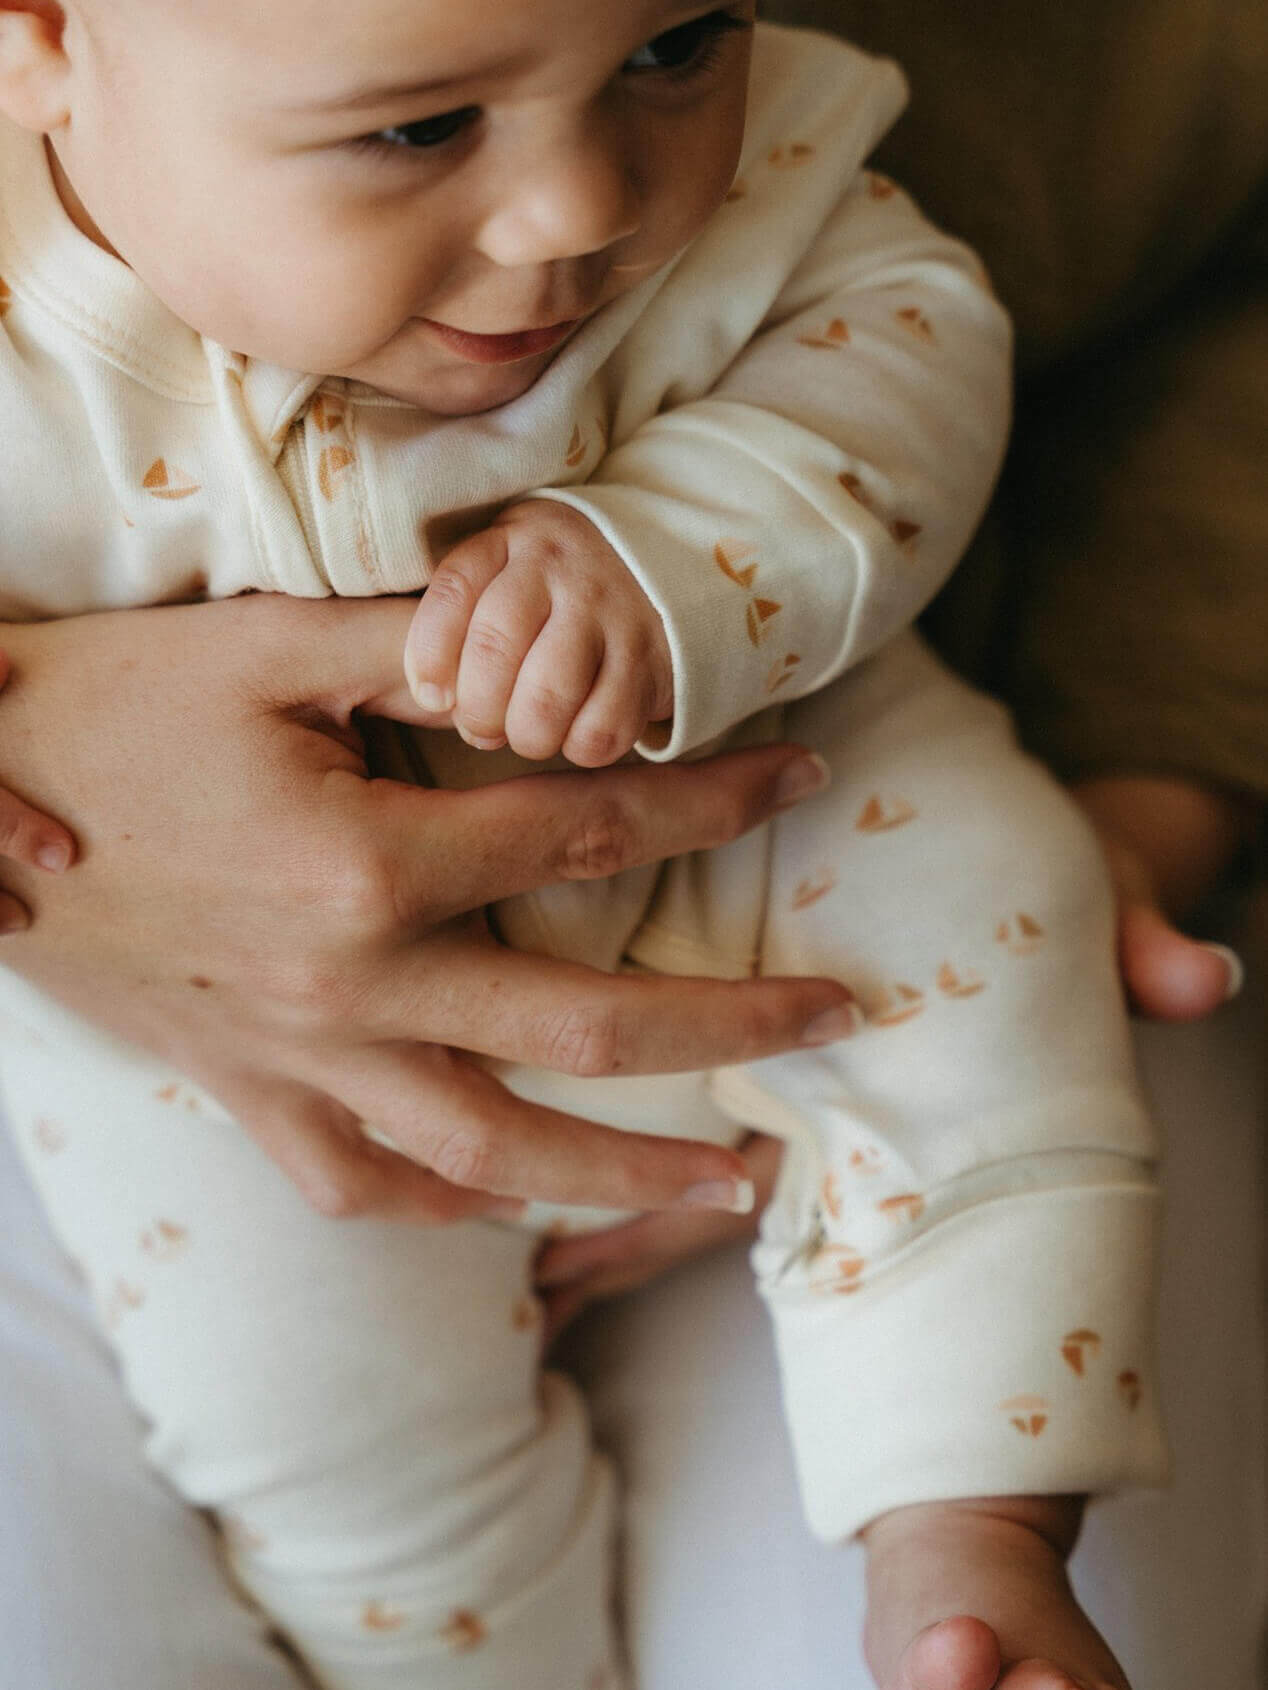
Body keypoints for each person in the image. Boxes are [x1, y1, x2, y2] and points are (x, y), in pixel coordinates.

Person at [0, 1, 1182, 1687]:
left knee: (993, 910)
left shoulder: (767, 180)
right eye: (416, 129)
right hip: (232, 1046)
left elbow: (908, 337)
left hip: (774, 808)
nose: (582, 206)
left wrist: (676, 559)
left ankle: (970, 1521)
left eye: (676, 43)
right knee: (317, 1418)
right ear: (39, 42)